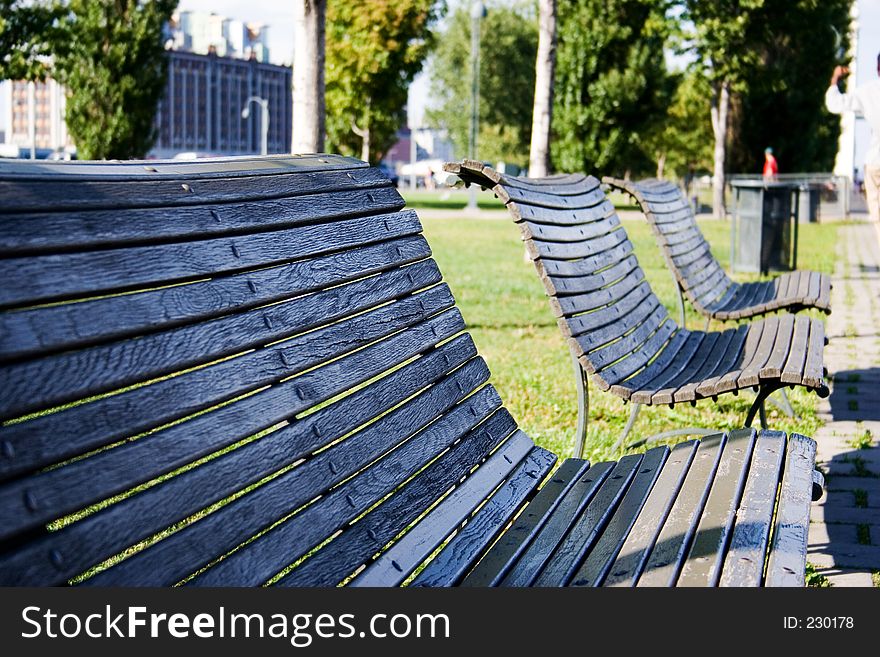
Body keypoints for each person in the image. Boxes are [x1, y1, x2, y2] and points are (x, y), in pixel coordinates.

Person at [826, 57, 880, 223]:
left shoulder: (868, 91)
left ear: (878, 68)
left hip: (875, 162)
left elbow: (834, 104)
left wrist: (835, 79)